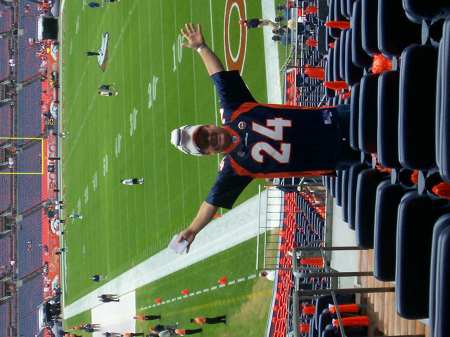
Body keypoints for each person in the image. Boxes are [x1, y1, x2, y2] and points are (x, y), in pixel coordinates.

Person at [170, 23, 359, 251]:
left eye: (204, 134)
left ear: (209, 125)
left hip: (331, 119)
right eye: (204, 145)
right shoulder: (234, 169)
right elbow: (211, 203)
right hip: (331, 157)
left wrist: (201, 48)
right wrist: (192, 230)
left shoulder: (235, 108)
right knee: (386, 156)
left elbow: (218, 78)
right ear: (209, 153)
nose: (209, 139)